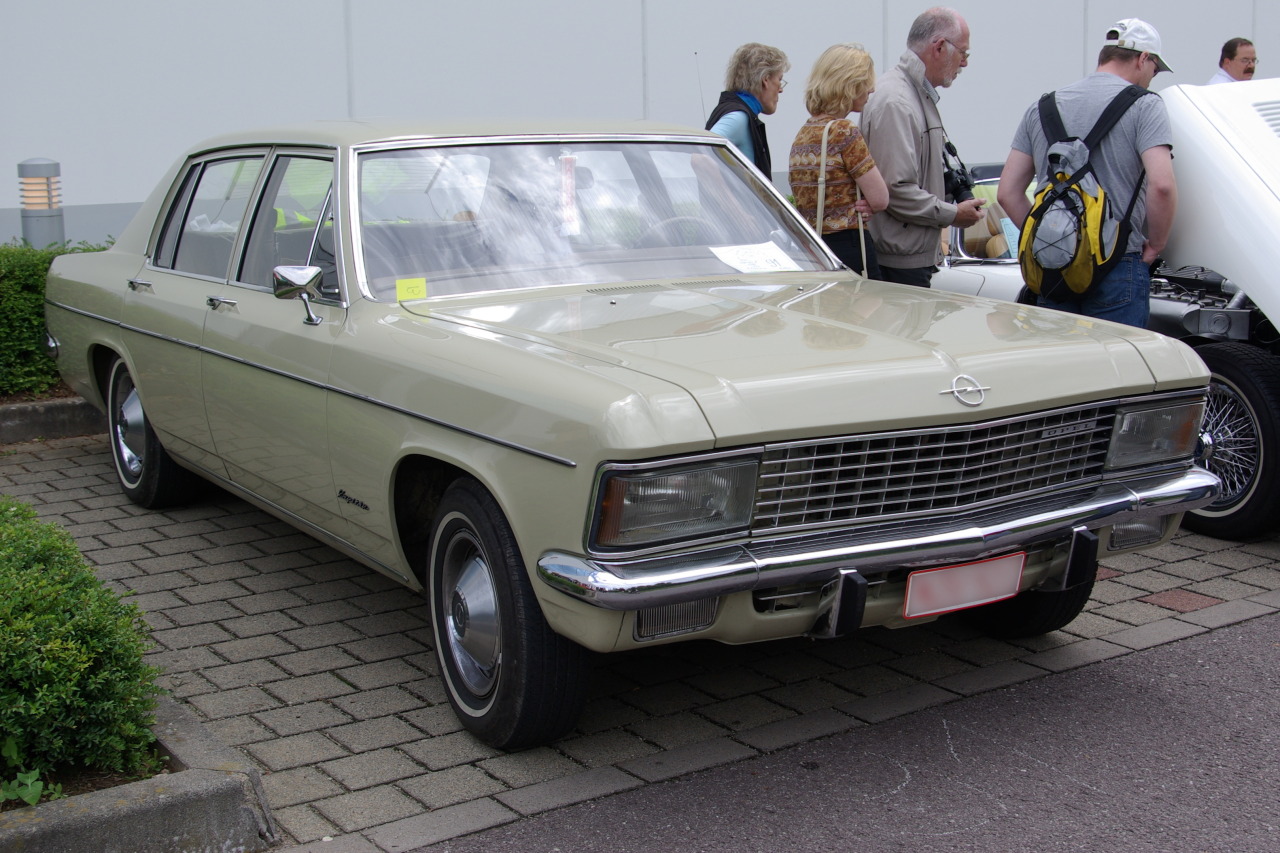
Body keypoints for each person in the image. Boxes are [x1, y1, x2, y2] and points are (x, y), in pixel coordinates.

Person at [997, 18, 1177, 329]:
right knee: (1119, 372)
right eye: (1155, 69)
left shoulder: (1041, 107)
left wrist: (1053, 240)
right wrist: (1156, 245)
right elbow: (1162, 186)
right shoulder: (1146, 106)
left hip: (1054, 267)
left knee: (1065, 372)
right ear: (1143, 58)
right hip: (1117, 263)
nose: (1152, 78)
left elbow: (1007, 193)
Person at [859, 7, 987, 287]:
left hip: (905, 254)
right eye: (964, 54)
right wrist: (954, 214)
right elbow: (896, 189)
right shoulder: (897, 101)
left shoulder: (912, 94)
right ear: (940, 47)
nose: (964, 64)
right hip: (897, 262)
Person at [788, 43, 890, 278]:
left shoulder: (804, 133)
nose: (872, 89)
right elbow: (881, 198)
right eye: (866, 82)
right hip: (850, 245)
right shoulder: (843, 131)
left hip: (815, 249)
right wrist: (868, 203)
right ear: (849, 85)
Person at [706, 43, 790, 176]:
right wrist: (728, 197)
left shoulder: (736, 112)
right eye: (780, 80)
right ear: (766, 80)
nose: (781, 89)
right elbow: (701, 159)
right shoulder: (738, 117)